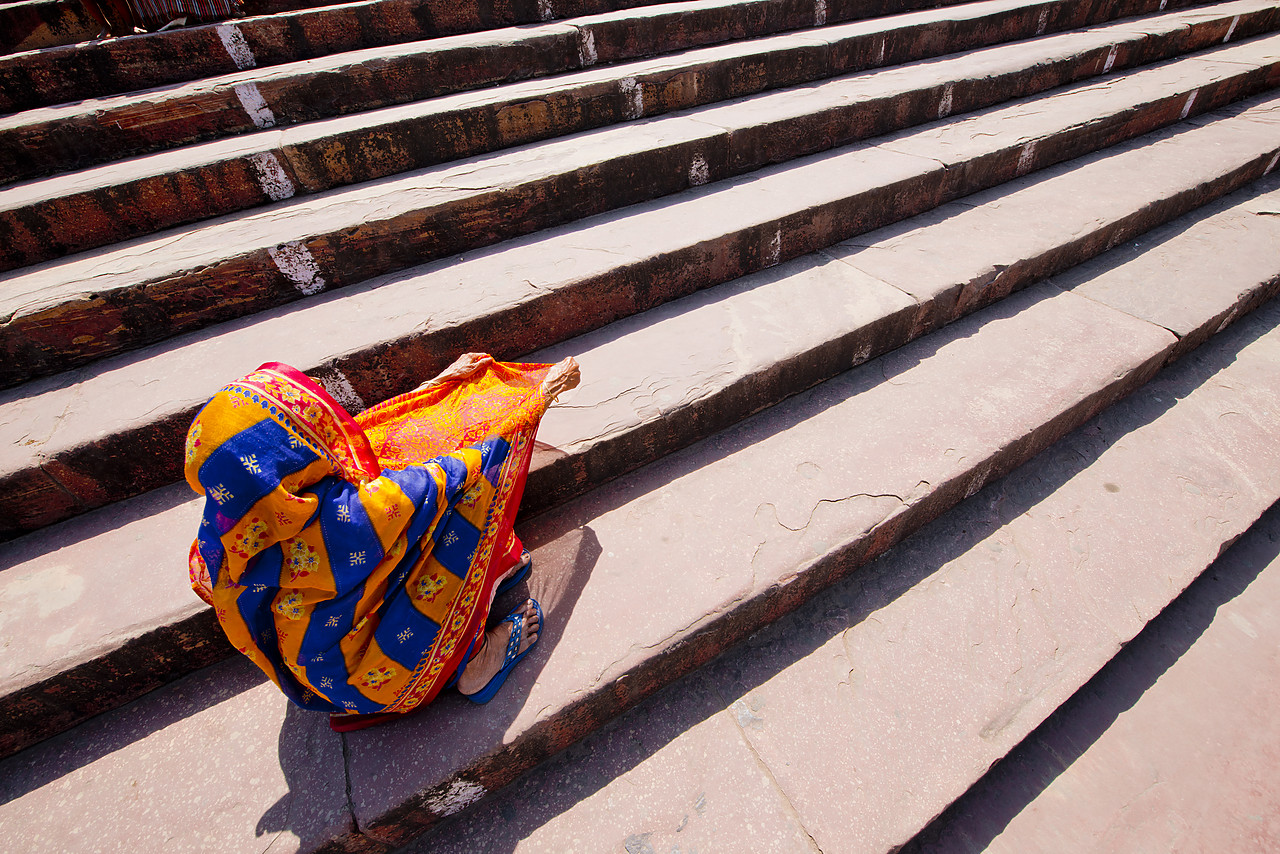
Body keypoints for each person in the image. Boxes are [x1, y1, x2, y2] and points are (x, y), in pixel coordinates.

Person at [184, 353, 580, 731]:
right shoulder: (349, 516)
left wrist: (433, 387)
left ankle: (488, 580)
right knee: (471, 490)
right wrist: (536, 400)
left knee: (405, 485)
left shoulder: (232, 525)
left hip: (318, 667)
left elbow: (367, 437)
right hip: (382, 673)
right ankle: (474, 660)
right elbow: (457, 468)